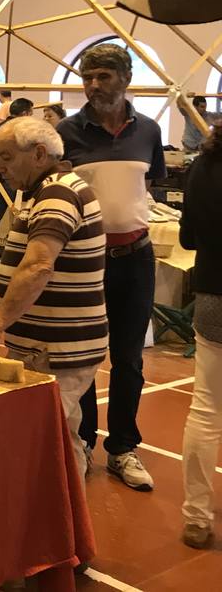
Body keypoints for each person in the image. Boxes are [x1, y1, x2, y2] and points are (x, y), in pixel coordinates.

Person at [0, 118, 107, 480]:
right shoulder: (48, 191)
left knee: (46, 447)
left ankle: (57, 528)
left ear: (40, 154)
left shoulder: (57, 194)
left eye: (7, 157)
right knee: (62, 438)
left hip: (57, 349)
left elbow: (38, 265)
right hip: (54, 345)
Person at [58, 42, 165, 492]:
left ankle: (122, 448)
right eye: (87, 76)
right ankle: (81, 442)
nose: (94, 85)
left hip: (135, 258)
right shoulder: (68, 131)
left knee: (129, 359)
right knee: (83, 355)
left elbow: (151, 182)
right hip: (85, 260)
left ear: (125, 79)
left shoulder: (149, 131)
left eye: (103, 76)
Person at [177, 123, 222, 549]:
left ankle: (196, 517)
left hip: (214, 297)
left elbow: (188, 237)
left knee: (206, 410)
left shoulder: (203, 166)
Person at [0, 97, 37, 257]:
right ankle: (16, 255)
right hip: (10, 179)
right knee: (19, 217)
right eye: (30, 113)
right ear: (25, 113)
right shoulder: (14, 130)